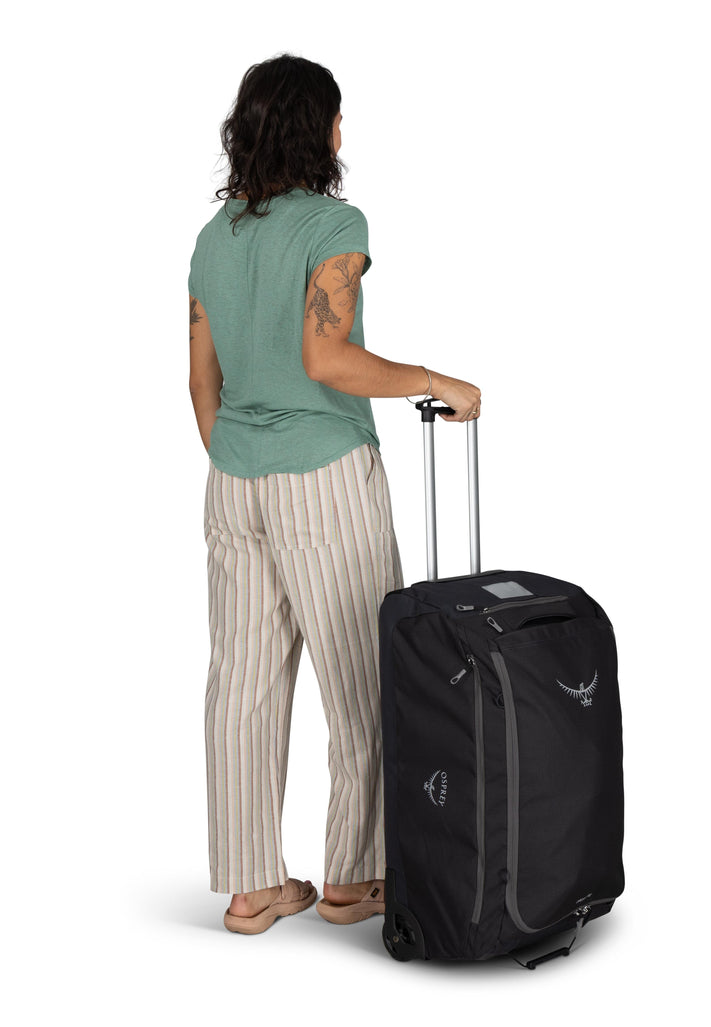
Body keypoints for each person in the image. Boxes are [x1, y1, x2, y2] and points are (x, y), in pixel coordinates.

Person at [188, 53, 481, 936]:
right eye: (337, 116)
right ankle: (354, 877)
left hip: (232, 483)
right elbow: (328, 357)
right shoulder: (334, 225)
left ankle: (251, 889)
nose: (343, 130)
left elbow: (201, 384)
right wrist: (435, 379)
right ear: (315, 128)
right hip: (324, 481)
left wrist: (246, 458)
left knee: (241, 686)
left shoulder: (213, 238)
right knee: (364, 680)